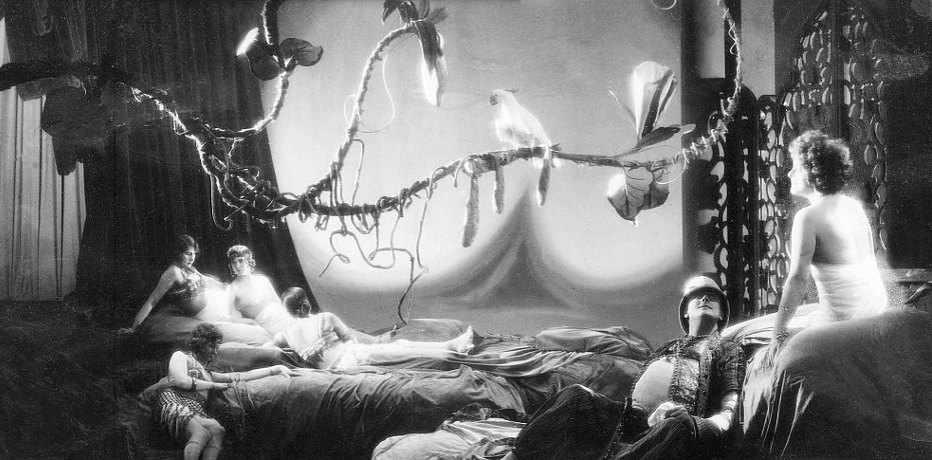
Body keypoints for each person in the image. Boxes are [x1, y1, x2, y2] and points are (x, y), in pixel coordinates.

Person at [501, 275, 746, 460]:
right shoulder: (666, 348)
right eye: (696, 295)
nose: (704, 299)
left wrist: (693, 423)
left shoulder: (728, 348)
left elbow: (728, 415)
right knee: (577, 396)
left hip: (672, 429)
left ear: (722, 314)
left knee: (676, 427)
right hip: (627, 421)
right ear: (685, 312)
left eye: (712, 296)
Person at [767, 130, 888, 357]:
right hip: (875, 315)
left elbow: (797, 280)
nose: (790, 173)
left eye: (796, 167)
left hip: (843, 326)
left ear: (813, 170)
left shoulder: (808, 217)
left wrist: (778, 332)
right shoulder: (853, 206)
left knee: (759, 336)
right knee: (802, 317)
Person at [155, 323, 297, 460]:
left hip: (194, 409)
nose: (215, 351)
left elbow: (241, 376)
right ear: (200, 343)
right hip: (174, 402)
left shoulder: (208, 374)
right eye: (211, 346)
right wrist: (213, 385)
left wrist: (275, 369)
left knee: (217, 430)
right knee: (201, 433)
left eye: (217, 347)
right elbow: (182, 381)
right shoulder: (181, 356)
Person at [264, 286, 475, 369]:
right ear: (305, 304)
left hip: (333, 371)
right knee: (402, 347)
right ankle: (453, 346)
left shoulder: (286, 333)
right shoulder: (325, 318)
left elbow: (266, 347)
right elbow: (350, 339)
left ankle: (453, 346)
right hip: (351, 358)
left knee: (399, 347)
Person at [122, 235, 229, 334]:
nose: (192, 258)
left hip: (214, 303)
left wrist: (224, 287)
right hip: (204, 315)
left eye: (194, 254)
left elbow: (206, 280)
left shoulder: (190, 268)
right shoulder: (172, 272)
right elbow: (151, 301)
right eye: (188, 254)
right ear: (179, 253)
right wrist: (133, 328)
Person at [225, 245, 294, 336]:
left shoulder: (262, 280)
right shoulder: (232, 288)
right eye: (234, 263)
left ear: (248, 261)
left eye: (240, 260)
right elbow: (229, 316)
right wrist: (250, 322)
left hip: (282, 315)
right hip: (267, 325)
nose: (237, 266)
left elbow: (278, 302)